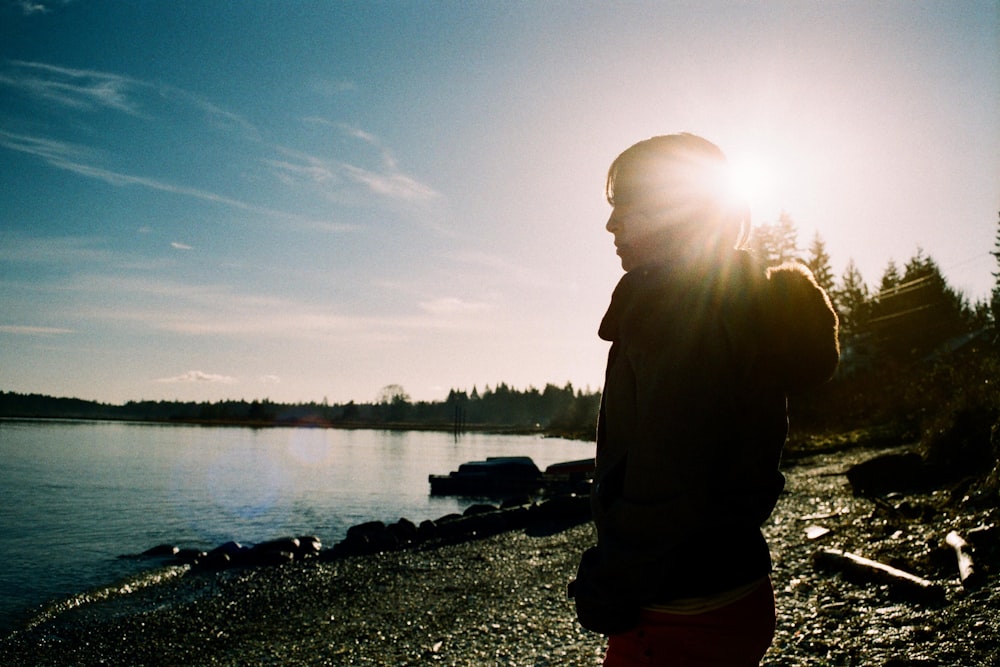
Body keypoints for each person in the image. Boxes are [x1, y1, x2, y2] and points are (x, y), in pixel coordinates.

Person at [569, 133, 840, 666]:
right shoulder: (732, 300)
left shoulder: (680, 310)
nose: (611, 224)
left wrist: (611, 581)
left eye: (625, 206)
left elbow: (671, 480)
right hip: (731, 587)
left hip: (679, 608)